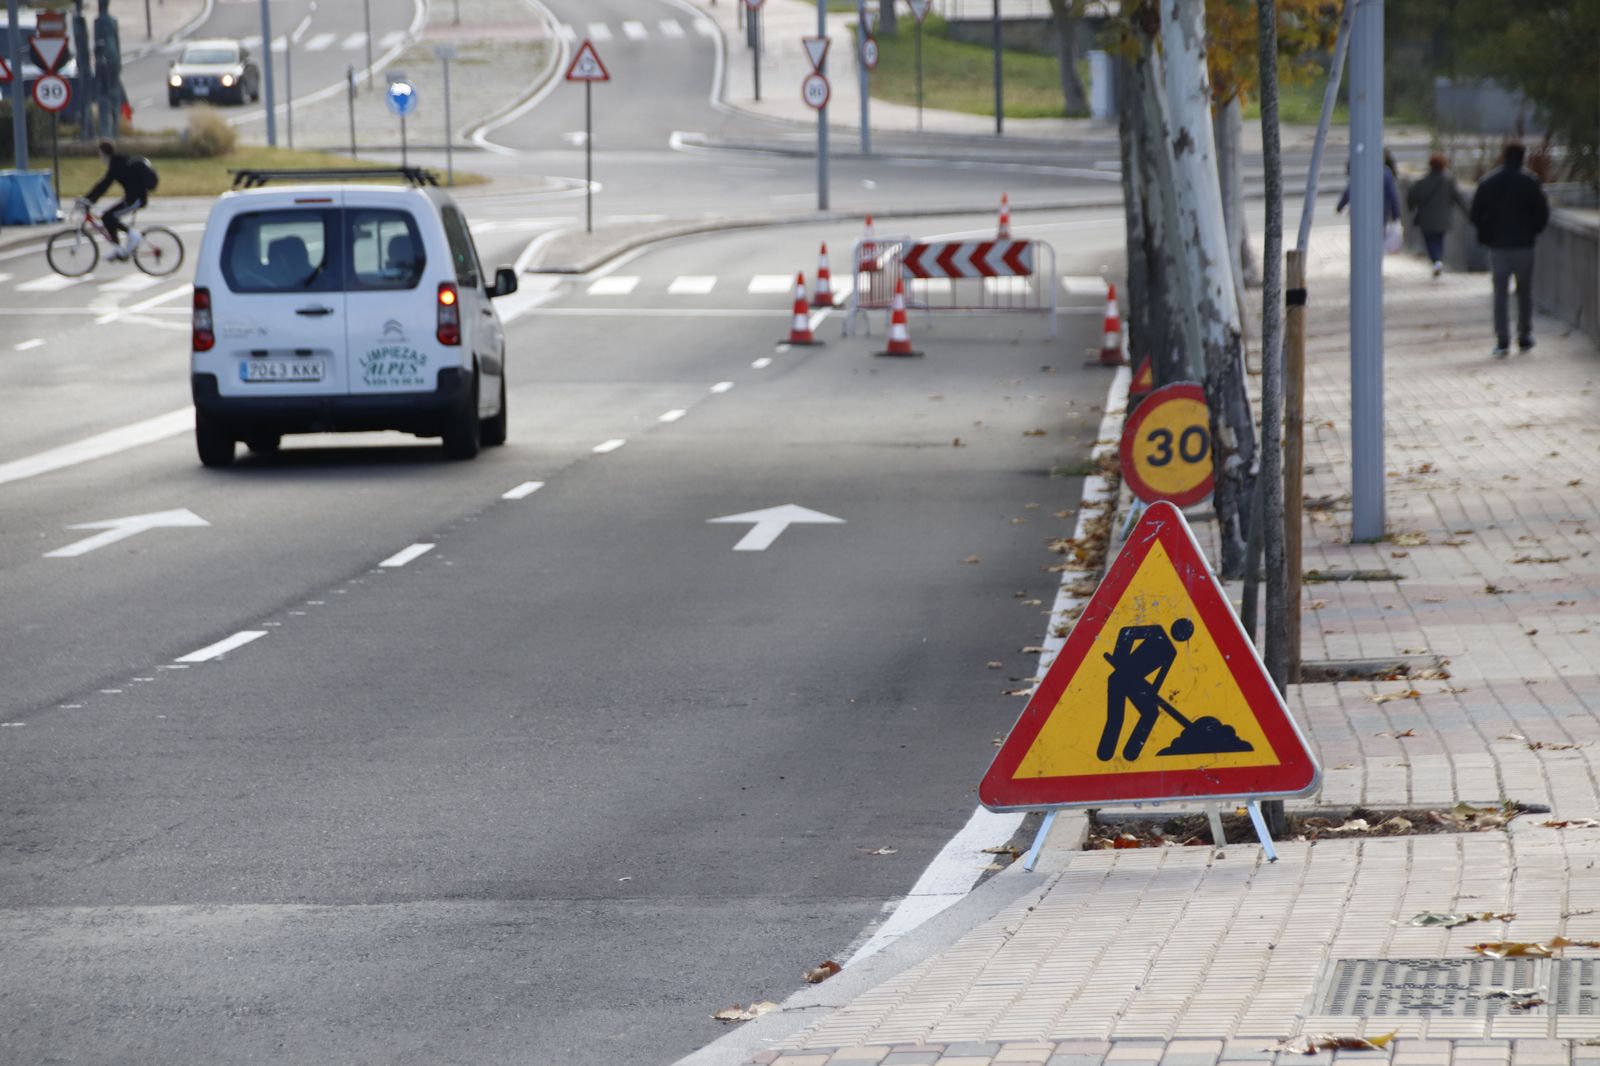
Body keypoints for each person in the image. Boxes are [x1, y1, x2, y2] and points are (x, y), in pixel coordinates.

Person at [1470, 142, 1551, 357]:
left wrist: (1488, 233)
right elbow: (1543, 213)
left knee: (1500, 294)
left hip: (1498, 247)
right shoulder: (1530, 181)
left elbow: (1476, 214)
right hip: (1524, 245)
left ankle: (1502, 339)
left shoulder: (1489, 182)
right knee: (1524, 292)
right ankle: (1524, 335)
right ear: (1523, 157)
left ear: (1504, 156)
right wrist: (1532, 231)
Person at [78, 139, 158, 261]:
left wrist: (89, 199)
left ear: (103, 153)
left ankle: (128, 239)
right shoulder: (118, 161)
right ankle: (119, 248)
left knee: (108, 217)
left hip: (136, 199)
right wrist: (89, 198)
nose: (99, 157)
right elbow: (103, 184)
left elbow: (104, 185)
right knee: (108, 217)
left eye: (99, 153)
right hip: (133, 198)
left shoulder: (116, 165)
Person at [1407, 153, 1469, 277]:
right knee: (1439, 240)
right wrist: (1468, 213)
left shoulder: (1422, 182)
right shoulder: (1448, 180)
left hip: (1426, 219)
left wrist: (1411, 208)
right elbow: (1458, 197)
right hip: (1443, 219)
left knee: (1430, 241)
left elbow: (1412, 197)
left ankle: (1436, 261)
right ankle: (1438, 260)